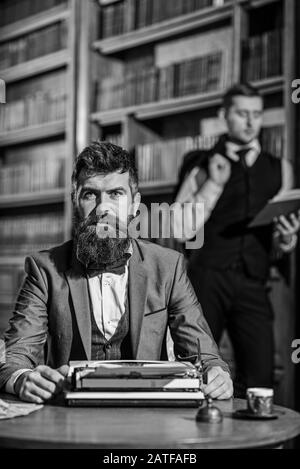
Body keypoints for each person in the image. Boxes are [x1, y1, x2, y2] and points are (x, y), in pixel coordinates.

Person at [0, 141, 232, 403]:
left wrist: (217, 374)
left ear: (135, 204)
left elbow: (205, 355)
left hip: (148, 416)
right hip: (70, 418)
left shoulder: (169, 267)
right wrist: (20, 379)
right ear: (75, 202)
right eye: (90, 195)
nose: (102, 208)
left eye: (115, 194)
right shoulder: (44, 269)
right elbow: (17, 352)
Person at [173, 83, 300, 397]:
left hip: (254, 282)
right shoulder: (199, 163)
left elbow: (278, 239)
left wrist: (286, 240)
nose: (250, 122)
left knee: (260, 380)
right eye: (242, 113)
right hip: (205, 281)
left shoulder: (281, 169)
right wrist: (213, 185)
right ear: (223, 116)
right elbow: (179, 228)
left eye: (256, 114)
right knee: (194, 374)